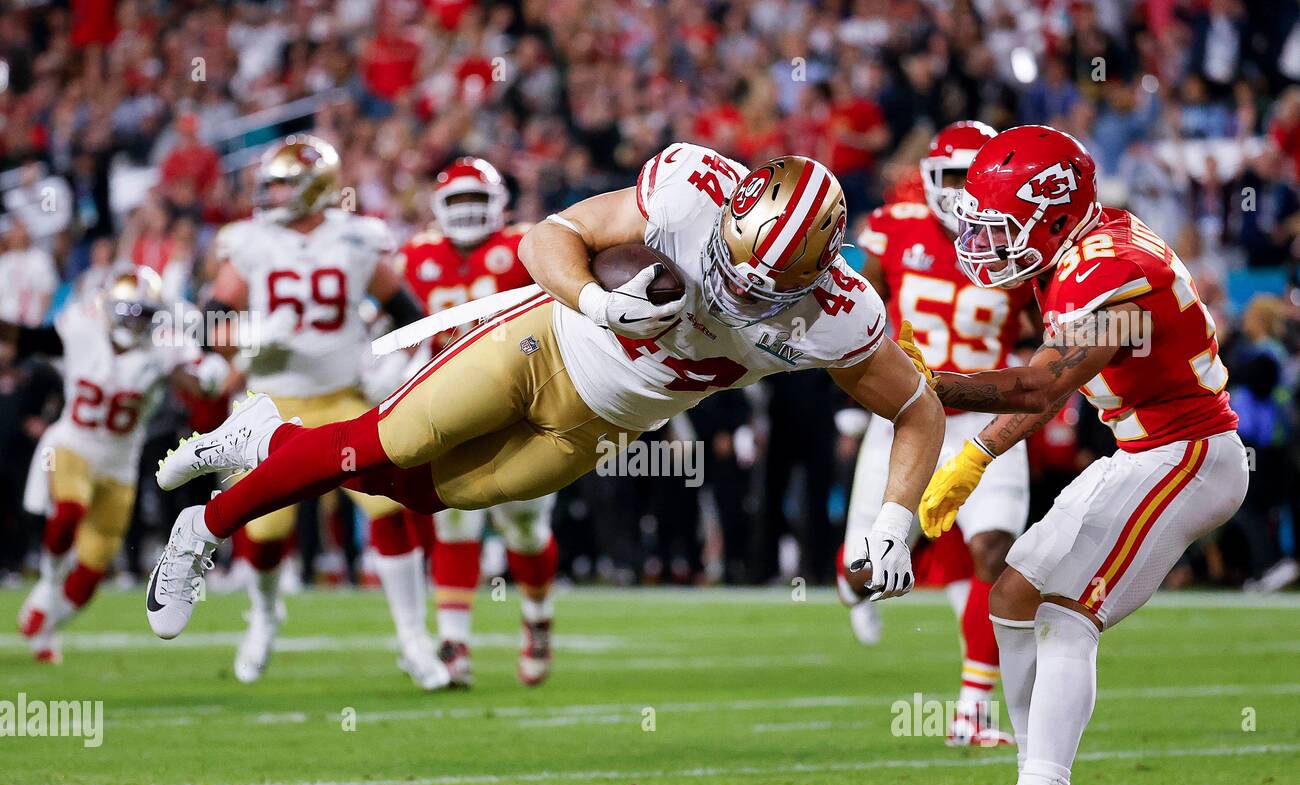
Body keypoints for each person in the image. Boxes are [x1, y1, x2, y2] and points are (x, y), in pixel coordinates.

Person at [145, 143, 946, 647]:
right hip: (545, 343)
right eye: (733, 261)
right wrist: (598, 303)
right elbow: (547, 237)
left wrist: (892, 518)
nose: (735, 285)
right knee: (384, 443)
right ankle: (199, 528)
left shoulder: (842, 314)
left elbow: (917, 407)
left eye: (763, 282)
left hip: (602, 424)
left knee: (422, 495)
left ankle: (270, 442)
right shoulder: (688, 189)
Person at [918, 126, 1246, 785]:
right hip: (1142, 449)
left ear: (1055, 215)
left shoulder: (1109, 269)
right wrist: (977, 452)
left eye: (999, 228)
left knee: (1067, 610)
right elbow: (1049, 382)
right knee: (1013, 594)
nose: (983, 243)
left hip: (1188, 453)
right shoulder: (1082, 250)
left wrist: (925, 385)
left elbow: (1042, 383)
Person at [187, 134, 441, 688]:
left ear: (314, 187)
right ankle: (263, 617)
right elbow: (209, 323)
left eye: (281, 183)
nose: (270, 193)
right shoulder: (250, 241)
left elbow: (408, 313)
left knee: (387, 509)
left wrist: (391, 364)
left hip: (341, 399)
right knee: (265, 525)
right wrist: (250, 341)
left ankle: (413, 639)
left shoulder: (355, 238)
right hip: (268, 407)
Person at [845, 121, 1039, 746]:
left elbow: (1052, 325)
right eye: (948, 177)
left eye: (968, 176)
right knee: (862, 569)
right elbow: (858, 311)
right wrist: (858, 397)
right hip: (907, 415)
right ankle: (854, 592)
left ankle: (973, 712)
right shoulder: (894, 227)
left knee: (994, 551)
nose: (958, 192)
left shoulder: (1016, 242)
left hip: (985, 415)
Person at [8, 266, 227, 661]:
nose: (136, 321)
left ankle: (47, 626)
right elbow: (29, 338)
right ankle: (47, 586)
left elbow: (197, 379)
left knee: (91, 573)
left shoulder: (164, 349)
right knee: (69, 511)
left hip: (120, 466)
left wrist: (209, 374)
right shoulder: (81, 327)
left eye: (145, 313)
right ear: (109, 307)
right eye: (130, 311)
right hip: (72, 444)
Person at [399, 158, 559, 686]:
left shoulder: (525, 247)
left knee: (526, 526)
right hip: (453, 404)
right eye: (457, 202)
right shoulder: (417, 256)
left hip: (523, 405)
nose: (467, 212)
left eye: (476, 201)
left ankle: (537, 618)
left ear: (500, 204)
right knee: (455, 518)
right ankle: (453, 643)